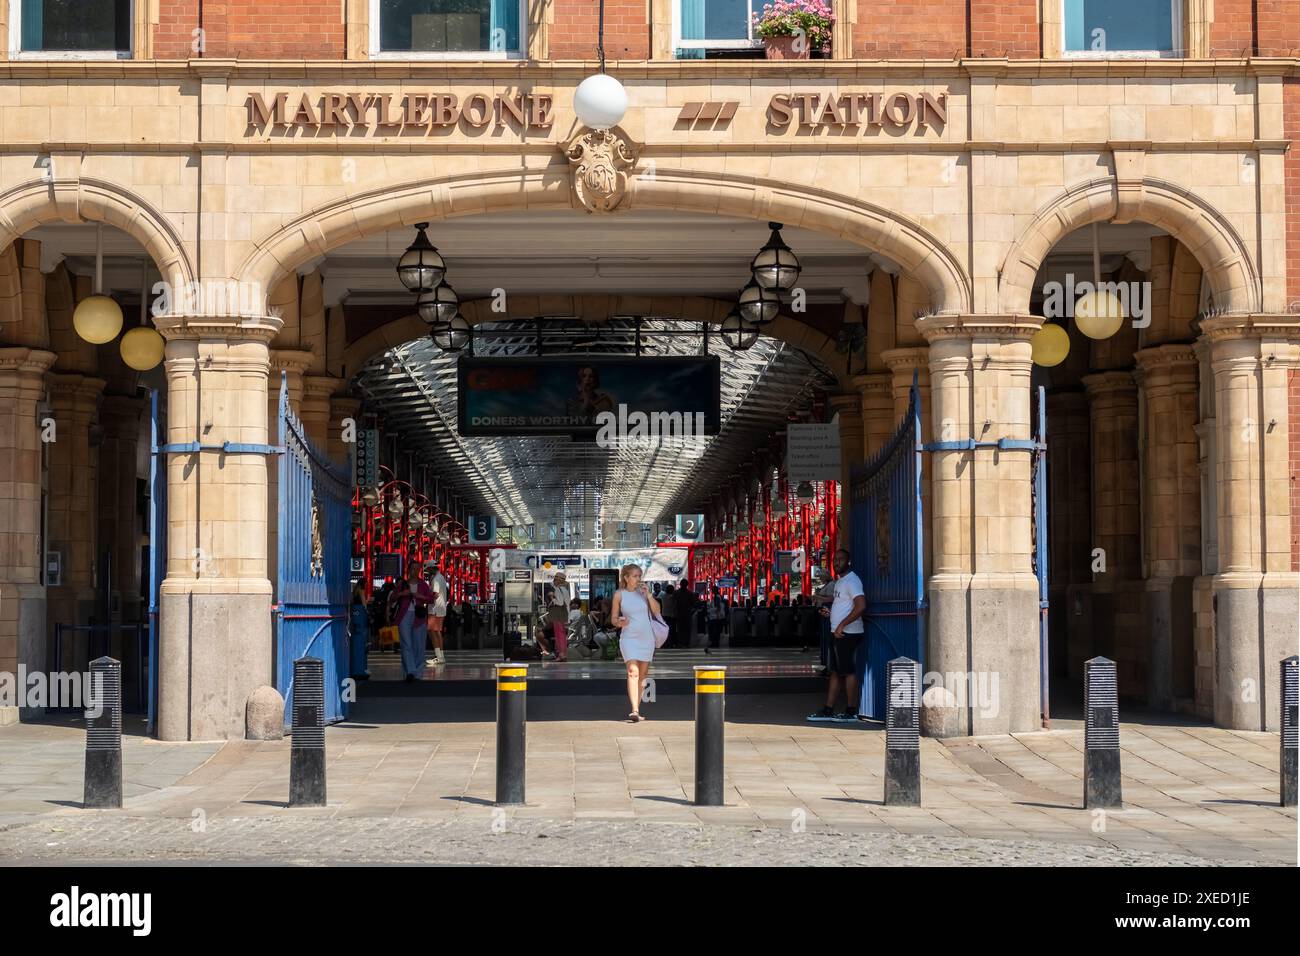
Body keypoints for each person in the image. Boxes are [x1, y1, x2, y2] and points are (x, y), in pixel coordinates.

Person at [808, 549, 867, 722]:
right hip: (838, 632)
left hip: (847, 633)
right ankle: (828, 709)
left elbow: (861, 605)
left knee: (847, 671)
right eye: (835, 559)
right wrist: (831, 613)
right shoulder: (840, 582)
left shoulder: (852, 581)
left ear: (848, 562)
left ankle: (851, 711)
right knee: (836, 671)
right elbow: (843, 604)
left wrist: (842, 624)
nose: (836, 562)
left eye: (840, 559)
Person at [611, 563, 660, 722]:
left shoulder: (644, 593)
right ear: (626, 578)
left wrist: (649, 595)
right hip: (629, 638)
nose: (639, 579)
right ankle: (635, 710)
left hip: (646, 638)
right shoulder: (619, 594)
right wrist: (620, 623)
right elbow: (613, 619)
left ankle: (637, 709)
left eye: (640, 576)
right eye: (635, 576)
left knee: (643, 674)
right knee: (633, 671)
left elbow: (657, 611)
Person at [388, 577, 421, 682]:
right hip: (403, 616)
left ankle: (409, 671)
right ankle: (411, 671)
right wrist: (402, 593)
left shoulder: (421, 584)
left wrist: (420, 596)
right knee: (407, 644)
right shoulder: (402, 585)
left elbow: (429, 598)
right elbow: (392, 598)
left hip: (416, 616)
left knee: (412, 644)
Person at [425, 563, 449, 666]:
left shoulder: (436, 579)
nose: (427, 572)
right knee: (436, 631)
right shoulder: (441, 577)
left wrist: (425, 600)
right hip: (439, 608)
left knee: (433, 631)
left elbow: (435, 594)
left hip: (435, 609)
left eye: (428, 569)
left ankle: (438, 656)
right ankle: (440, 656)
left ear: (431, 568)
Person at [548, 571, 571, 662]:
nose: (554, 581)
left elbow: (560, 602)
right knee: (562, 634)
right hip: (564, 614)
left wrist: (552, 598)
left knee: (559, 635)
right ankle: (563, 654)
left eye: (555, 579)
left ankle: (561, 654)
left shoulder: (558, 589)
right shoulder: (564, 589)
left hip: (558, 614)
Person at [348, 585, 370, 681]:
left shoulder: (354, 594)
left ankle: (356, 668)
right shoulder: (361, 591)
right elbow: (364, 604)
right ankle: (360, 669)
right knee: (362, 644)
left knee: (356, 642)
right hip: (361, 617)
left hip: (356, 620)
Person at [704, 585, 728, 655]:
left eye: (713, 589)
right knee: (716, 630)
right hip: (717, 617)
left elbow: (718, 607)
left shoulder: (716, 597)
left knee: (715, 630)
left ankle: (715, 643)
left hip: (715, 617)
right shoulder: (719, 596)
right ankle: (715, 643)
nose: (712, 591)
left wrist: (716, 615)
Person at [660, 582, 677, 647]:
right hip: (671, 616)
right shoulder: (672, 597)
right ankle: (671, 643)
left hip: (664, 615)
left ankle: (665, 643)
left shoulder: (662, 596)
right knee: (671, 630)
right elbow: (674, 606)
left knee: (665, 630)